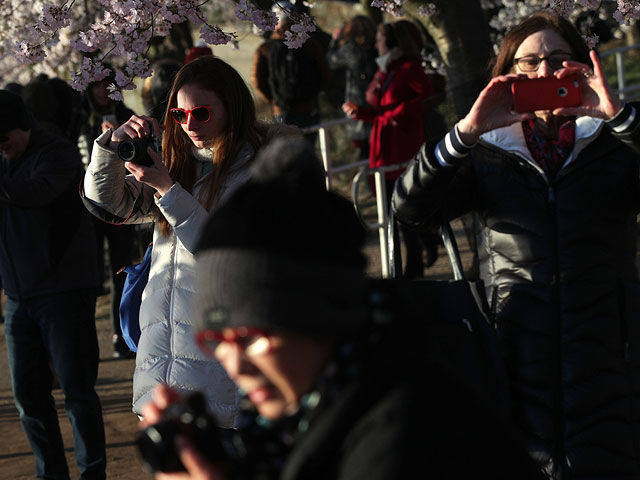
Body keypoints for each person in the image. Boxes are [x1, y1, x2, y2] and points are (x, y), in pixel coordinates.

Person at [138, 137, 546, 480]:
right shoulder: (292, 421)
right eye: (217, 340)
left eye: (251, 336)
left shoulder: (407, 434)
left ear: (321, 313)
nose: (235, 364)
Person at [392, 10, 640, 479]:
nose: (544, 72)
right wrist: (464, 134)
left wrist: (620, 119)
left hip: (609, 361)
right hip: (512, 357)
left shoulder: (614, 145)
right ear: (507, 73)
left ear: (584, 67)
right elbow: (410, 210)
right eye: (528, 64)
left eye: (558, 59)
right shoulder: (489, 152)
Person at [82, 56, 300, 426]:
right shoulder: (177, 160)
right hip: (160, 373)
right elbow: (106, 204)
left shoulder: (263, 170)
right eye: (179, 116)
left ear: (231, 109)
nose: (189, 125)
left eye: (200, 113)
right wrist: (112, 146)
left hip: (220, 377)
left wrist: (168, 189)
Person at [0, 90, 106, 479]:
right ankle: (51, 475)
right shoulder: (4, 159)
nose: (2, 149)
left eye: (4, 139)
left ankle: (93, 473)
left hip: (64, 292)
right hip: (18, 297)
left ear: (23, 127)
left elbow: (34, 193)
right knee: (28, 398)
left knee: (77, 393)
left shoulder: (58, 154)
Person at [343, 20, 438, 278]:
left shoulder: (410, 68)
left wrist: (397, 113)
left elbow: (427, 99)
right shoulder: (385, 69)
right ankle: (413, 255)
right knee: (390, 208)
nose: (376, 43)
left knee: (401, 207)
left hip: (402, 147)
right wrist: (360, 112)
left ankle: (413, 264)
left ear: (394, 42)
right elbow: (378, 106)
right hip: (382, 145)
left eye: (380, 39)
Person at [78, 68, 138, 358]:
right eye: (97, 85)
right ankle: (85, 341)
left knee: (120, 270)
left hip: (121, 204)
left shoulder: (127, 114)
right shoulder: (78, 117)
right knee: (89, 274)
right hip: (88, 207)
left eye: (108, 85)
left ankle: (120, 334)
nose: (102, 91)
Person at [251, 1, 330, 143]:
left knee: (285, 153)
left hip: (282, 110)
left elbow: (257, 81)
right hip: (309, 107)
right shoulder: (310, 44)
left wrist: (274, 100)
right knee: (307, 150)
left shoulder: (265, 49)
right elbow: (325, 73)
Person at [326, 15, 378, 160]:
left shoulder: (351, 50)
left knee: (365, 156)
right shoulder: (378, 47)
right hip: (377, 104)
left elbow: (331, 60)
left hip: (357, 106)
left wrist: (335, 41)